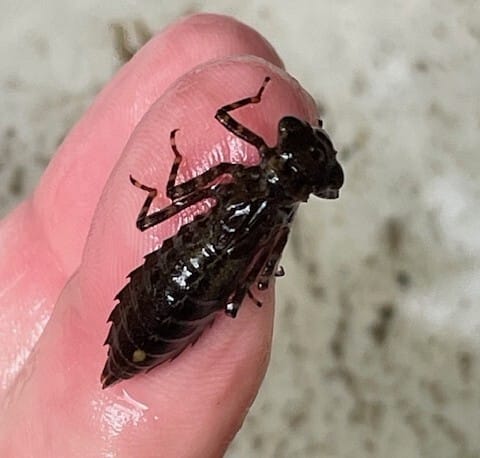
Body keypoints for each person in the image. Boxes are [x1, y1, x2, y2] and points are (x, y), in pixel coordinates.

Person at [0, 13, 318, 456]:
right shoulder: (276, 229)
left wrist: (252, 103)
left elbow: (219, 125)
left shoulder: (250, 192)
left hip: (162, 300)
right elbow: (260, 275)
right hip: (169, 309)